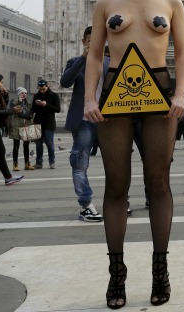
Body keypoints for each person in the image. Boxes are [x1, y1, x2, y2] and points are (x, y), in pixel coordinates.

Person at [83, 0, 184, 309]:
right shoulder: (107, 2)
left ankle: (160, 270)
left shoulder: (170, 1)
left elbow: (182, 53)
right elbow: (95, 55)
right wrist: (89, 97)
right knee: (116, 185)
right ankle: (117, 273)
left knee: (159, 181)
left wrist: (179, 92)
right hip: (117, 89)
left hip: (158, 89)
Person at [59, 25, 104, 222]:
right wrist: (83, 58)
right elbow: (66, 82)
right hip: (85, 120)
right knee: (80, 163)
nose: (94, 42)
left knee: (117, 164)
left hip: (108, 121)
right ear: (84, 41)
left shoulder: (112, 61)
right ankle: (86, 205)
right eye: (90, 39)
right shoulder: (75, 62)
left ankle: (120, 201)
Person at [31, 79, 61, 169]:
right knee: (38, 144)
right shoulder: (36, 96)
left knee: (49, 142)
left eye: (43, 89)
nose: (42, 91)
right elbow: (33, 109)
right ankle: (39, 162)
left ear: (48, 86)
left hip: (49, 122)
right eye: (40, 89)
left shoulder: (54, 95)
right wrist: (36, 105)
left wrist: (46, 105)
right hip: (38, 122)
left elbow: (57, 109)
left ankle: (52, 162)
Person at [6, 87, 35, 171]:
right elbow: (12, 110)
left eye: (25, 93)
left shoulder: (28, 103)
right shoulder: (13, 102)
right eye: (22, 93)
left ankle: (27, 163)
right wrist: (19, 102)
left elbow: (30, 114)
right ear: (18, 94)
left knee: (26, 146)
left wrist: (23, 114)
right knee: (16, 146)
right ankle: (15, 164)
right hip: (16, 126)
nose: (24, 94)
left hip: (26, 126)